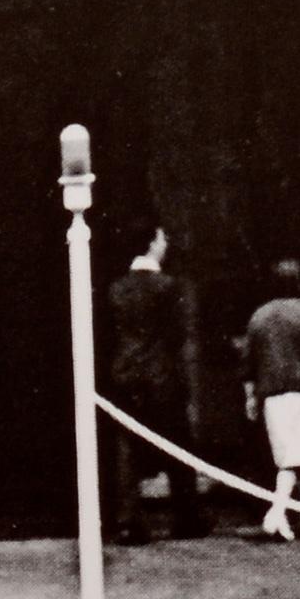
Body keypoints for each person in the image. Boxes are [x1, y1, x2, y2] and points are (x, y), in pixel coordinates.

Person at [101, 227, 205, 541]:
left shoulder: (117, 288)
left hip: (126, 373)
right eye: (161, 239)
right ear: (151, 245)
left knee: (128, 448)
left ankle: (128, 520)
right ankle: (187, 515)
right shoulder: (169, 288)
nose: (165, 244)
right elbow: (177, 336)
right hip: (162, 376)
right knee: (177, 445)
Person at [238, 261, 300, 540]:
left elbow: (247, 362)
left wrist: (250, 397)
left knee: (294, 453)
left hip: (272, 395)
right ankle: (276, 511)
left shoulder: (259, 315)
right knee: (295, 458)